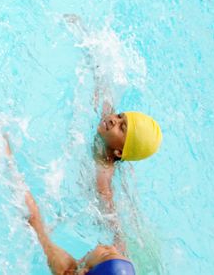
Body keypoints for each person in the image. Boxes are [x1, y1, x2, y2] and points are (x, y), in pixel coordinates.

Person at [64, 15, 161, 250]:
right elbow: (101, 78)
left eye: (121, 127)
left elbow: (107, 205)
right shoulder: (106, 119)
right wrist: (85, 37)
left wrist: (118, 238)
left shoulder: (103, 171)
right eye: (120, 117)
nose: (113, 120)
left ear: (118, 151)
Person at [5, 137, 136, 275]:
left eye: (106, 254)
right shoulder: (112, 259)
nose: (110, 248)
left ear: (85, 272)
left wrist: (7, 161)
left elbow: (33, 219)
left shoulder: (65, 268)